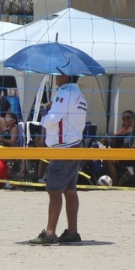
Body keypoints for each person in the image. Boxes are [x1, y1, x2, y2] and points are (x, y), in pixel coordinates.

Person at [31, 74, 88, 245]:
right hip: (75, 144)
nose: (55, 77)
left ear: (65, 76)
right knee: (70, 190)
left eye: (58, 74)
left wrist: (43, 117)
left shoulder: (65, 94)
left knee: (54, 190)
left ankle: (49, 233)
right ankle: (72, 231)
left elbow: (54, 118)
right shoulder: (80, 95)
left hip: (63, 148)